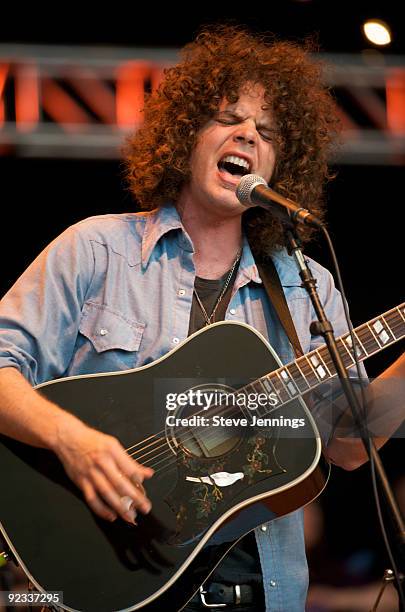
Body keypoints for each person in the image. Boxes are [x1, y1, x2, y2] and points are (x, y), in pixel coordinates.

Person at [0, 25, 403, 612]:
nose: (247, 134)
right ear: (185, 134)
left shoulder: (306, 286)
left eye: (268, 132)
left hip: (257, 595)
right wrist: (72, 439)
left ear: (280, 164)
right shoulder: (95, 250)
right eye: (228, 118)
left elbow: (347, 446)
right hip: (102, 579)